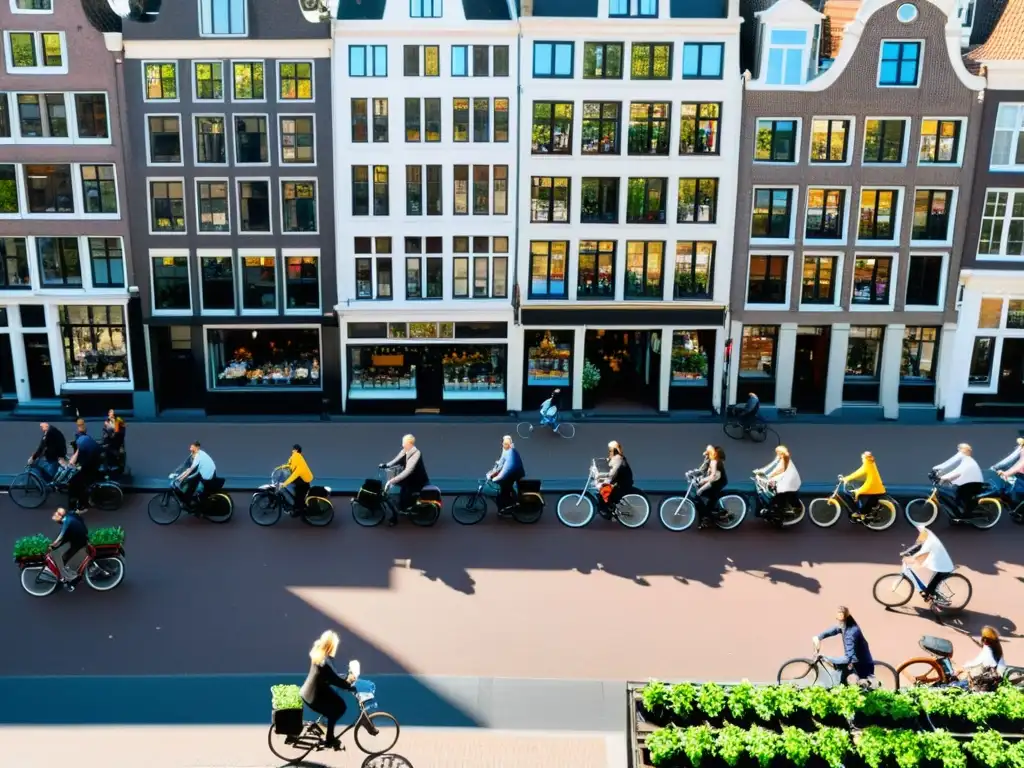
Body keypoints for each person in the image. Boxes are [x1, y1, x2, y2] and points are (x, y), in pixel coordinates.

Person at [300, 630, 355, 751]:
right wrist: (350, 685)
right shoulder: (324, 662)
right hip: (314, 696)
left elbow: (333, 676)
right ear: (331, 645)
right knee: (339, 708)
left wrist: (346, 679)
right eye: (335, 645)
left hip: (313, 691)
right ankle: (329, 739)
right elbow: (334, 679)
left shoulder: (321, 655)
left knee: (335, 699)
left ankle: (321, 725)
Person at [812, 606, 875, 682]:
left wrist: (827, 658)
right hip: (856, 658)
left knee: (845, 682)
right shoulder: (847, 625)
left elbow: (848, 658)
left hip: (859, 662)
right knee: (841, 680)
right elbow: (835, 630)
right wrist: (819, 637)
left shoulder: (850, 633)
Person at [381, 434, 429, 526]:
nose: (402, 445)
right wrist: (386, 465)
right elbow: (397, 459)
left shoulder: (416, 454)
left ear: (410, 443)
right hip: (410, 478)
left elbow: (408, 471)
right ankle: (401, 506)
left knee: (402, 491)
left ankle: (398, 514)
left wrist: (392, 480)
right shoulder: (406, 450)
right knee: (400, 490)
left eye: (404, 443)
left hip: (416, 480)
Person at [903, 524, 955, 602]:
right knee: (924, 572)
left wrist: (911, 557)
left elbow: (922, 551)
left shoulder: (930, 542)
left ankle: (934, 597)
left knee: (931, 586)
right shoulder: (928, 538)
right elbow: (918, 545)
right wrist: (907, 552)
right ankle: (928, 593)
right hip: (936, 562)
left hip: (942, 566)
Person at [933, 443, 984, 517]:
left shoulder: (966, 459)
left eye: (960, 448)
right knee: (956, 495)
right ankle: (958, 515)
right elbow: (950, 465)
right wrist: (941, 473)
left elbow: (956, 470)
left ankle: (967, 515)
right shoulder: (965, 459)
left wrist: (941, 474)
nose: (958, 450)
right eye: (959, 448)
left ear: (965, 450)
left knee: (961, 496)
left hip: (973, 484)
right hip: (971, 483)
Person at [755, 445, 801, 520]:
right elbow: (771, 465)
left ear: (781, 453)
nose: (777, 454)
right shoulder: (780, 458)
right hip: (784, 478)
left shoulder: (785, 460)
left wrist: (768, 474)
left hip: (788, 482)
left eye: (778, 452)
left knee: (778, 493)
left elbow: (779, 470)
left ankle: (779, 514)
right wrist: (761, 470)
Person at [65, 419, 102, 512]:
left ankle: (80, 506)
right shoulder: (87, 439)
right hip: (95, 463)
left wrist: (71, 463)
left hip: (90, 466)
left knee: (74, 483)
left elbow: (78, 455)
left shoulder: (81, 444)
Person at [48, 507, 89, 585]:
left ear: (61, 517)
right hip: (78, 535)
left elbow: (62, 535)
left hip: (79, 539)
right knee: (64, 553)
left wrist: (54, 544)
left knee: (66, 556)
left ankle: (69, 576)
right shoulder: (69, 515)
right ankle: (67, 571)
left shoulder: (67, 521)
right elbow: (75, 512)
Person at [841, 451, 886, 520]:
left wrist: (846, 478)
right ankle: (861, 512)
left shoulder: (867, 465)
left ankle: (860, 513)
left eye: (862, 458)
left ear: (865, 458)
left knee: (855, 493)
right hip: (874, 485)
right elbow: (861, 474)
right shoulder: (871, 464)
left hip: (872, 486)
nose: (862, 460)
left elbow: (858, 473)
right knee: (857, 493)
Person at [488, 435, 525, 511]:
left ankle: (511, 504)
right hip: (513, 471)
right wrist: (493, 471)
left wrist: (495, 478)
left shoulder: (511, 453)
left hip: (515, 472)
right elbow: (501, 461)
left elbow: (505, 470)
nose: (504, 445)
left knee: (504, 485)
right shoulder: (506, 450)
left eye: (506, 443)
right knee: (506, 486)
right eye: (504, 443)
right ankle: (507, 503)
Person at [176, 441, 218, 505]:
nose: (190, 446)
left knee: (191, 482)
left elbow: (191, 469)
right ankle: (188, 501)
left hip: (207, 474)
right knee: (191, 480)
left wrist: (181, 478)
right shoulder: (193, 454)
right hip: (203, 472)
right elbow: (185, 465)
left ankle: (190, 503)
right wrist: (178, 473)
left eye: (192, 446)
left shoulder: (198, 455)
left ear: (197, 447)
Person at [598, 441, 633, 516]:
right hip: (620, 481)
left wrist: (601, 477)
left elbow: (613, 473)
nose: (609, 451)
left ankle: (609, 512)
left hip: (622, 484)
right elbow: (607, 463)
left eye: (610, 449)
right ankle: (608, 511)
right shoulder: (617, 457)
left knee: (605, 492)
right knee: (604, 489)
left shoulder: (618, 459)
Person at [696, 446, 728, 528]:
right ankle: (704, 516)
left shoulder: (718, 464)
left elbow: (712, 481)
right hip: (712, 480)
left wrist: (701, 488)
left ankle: (707, 518)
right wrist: (695, 474)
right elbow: (702, 469)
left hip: (718, 483)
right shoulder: (710, 460)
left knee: (707, 496)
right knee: (698, 497)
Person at [280, 444, 313, 514]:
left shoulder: (298, 459)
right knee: (294, 492)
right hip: (300, 481)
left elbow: (295, 474)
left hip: (303, 483)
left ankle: (299, 512)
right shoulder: (296, 457)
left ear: (296, 451)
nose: (292, 451)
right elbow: (291, 464)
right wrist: (283, 466)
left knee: (299, 498)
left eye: (294, 450)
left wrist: (285, 483)